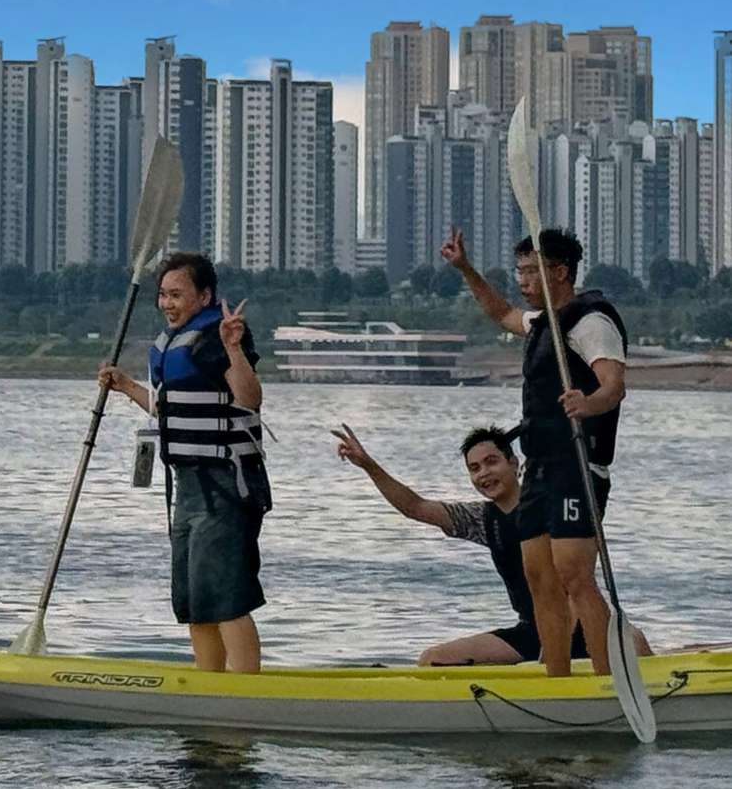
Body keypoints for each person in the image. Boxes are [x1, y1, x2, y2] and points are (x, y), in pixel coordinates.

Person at [442, 226, 627, 678]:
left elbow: (614, 386)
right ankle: (558, 680)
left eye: (531, 272)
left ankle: (606, 680)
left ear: (560, 272)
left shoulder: (591, 323)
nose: (522, 281)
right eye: (519, 271)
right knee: (540, 579)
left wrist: (588, 403)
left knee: (574, 577)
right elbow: (501, 312)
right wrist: (466, 269)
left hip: (578, 467)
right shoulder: (541, 322)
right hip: (541, 469)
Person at [334, 424, 652, 665]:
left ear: (513, 463)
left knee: (635, 642)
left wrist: (552, 656)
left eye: (491, 462)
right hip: (531, 631)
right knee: (432, 660)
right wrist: (368, 465)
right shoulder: (481, 519)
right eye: (475, 468)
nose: (484, 473)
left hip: (584, 625)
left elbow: (572, 588)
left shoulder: (553, 510)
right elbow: (416, 507)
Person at [98, 252, 268, 673]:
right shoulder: (170, 344)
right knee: (195, 599)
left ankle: (246, 694)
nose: (167, 303)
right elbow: (169, 409)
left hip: (227, 484)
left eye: (177, 294)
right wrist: (127, 386)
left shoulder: (219, 337)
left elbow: (249, 400)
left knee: (227, 596)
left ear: (204, 296)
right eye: (162, 295)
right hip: (187, 487)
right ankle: (208, 682)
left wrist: (234, 350)